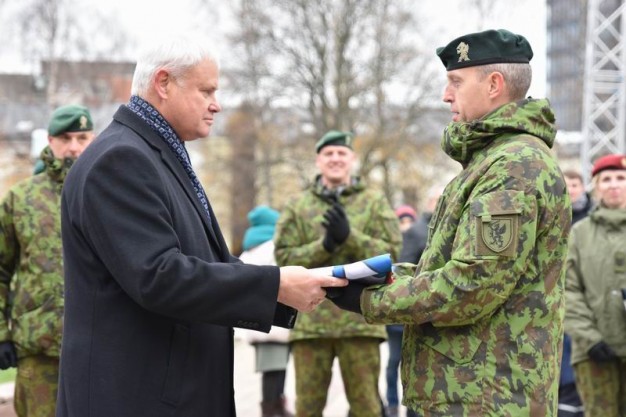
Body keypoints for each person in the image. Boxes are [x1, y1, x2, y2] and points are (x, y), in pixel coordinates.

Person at [56, 34, 347, 417]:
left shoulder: (155, 154)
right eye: (206, 90)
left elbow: (208, 262)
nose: (216, 104)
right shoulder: (122, 159)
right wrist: (275, 284)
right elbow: (159, 276)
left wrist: (286, 288)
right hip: (135, 399)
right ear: (163, 83)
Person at [328, 29, 572, 416]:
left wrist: (371, 300)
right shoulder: (490, 161)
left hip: (488, 398)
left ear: (494, 85)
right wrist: (378, 278)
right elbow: (449, 268)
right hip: (470, 392)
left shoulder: (514, 166)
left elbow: (472, 285)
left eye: (456, 82)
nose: (446, 95)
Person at [274, 130, 402, 417]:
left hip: (361, 319)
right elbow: (283, 257)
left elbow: (392, 251)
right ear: (318, 161)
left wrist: (350, 238)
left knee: (367, 407)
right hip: (311, 321)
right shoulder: (298, 205)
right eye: (328, 154)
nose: (335, 159)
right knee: (307, 408)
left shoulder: (374, 201)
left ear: (352, 159)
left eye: (341, 153)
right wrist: (325, 246)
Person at [0, 104, 95, 417]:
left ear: (93, 140)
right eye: (65, 138)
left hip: (98, 348)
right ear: (50, 141)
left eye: (82, 138)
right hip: (39, 351)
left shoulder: (107, 194)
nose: (73, 147)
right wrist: (1, 335)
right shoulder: (21, 199)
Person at [564, 154, 626, 417]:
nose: (614, 185)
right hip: (593, 354)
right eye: (606, 179)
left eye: (621, 178)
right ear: (596, 187)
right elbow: (567, 290)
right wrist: (590, 339)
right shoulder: (580, 233)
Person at [239, 205, 293, 417]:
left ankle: (276, 407)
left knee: (273, 370)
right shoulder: (271, 247)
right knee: (274, 372)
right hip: (274, 320)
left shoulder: (248, 249)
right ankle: (271, 411)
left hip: (258, 318)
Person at [558, 169, 591, 417]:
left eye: (575, 185)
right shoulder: (554, 216)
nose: (571, 190)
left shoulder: (590, 219)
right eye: (566, 185)